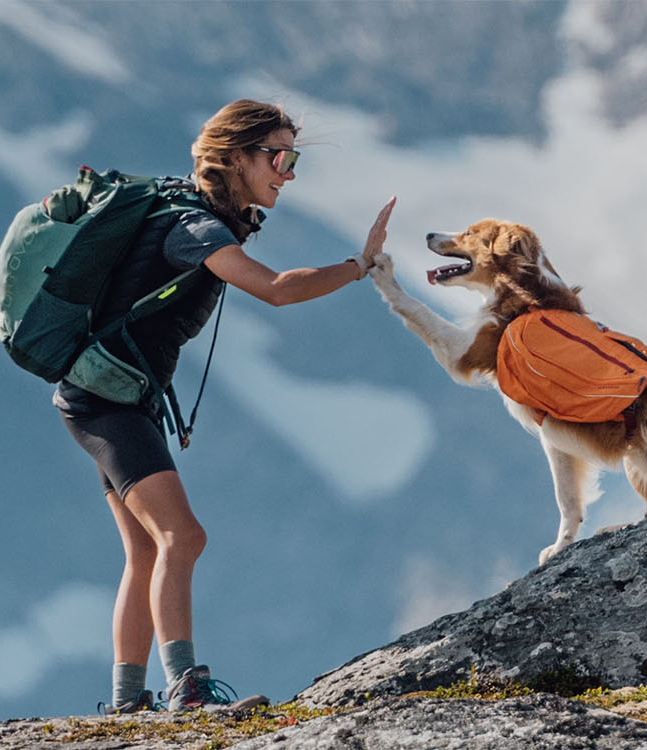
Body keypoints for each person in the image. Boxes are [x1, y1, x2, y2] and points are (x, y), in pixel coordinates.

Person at [56, 99, 395, 713]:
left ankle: (128, 702)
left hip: (112, 395)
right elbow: (275, 290)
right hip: (108, 400)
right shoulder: (194, 227)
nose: (288, 172)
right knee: (183, 537)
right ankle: (186, 690)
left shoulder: (194, 214)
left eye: (293, 159)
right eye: (278, 156)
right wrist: (358, 266)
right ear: (237, 158)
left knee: (146, 549)